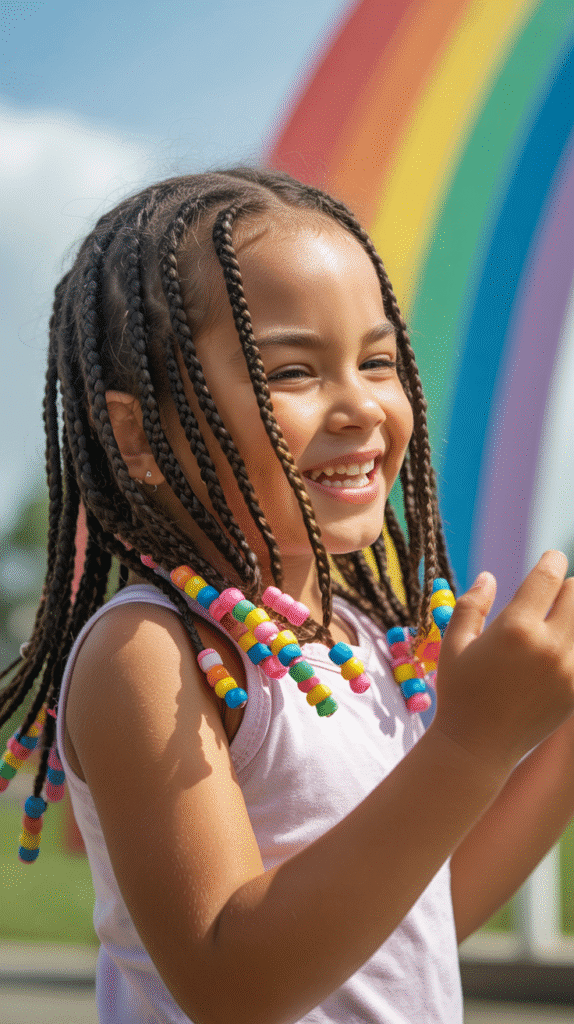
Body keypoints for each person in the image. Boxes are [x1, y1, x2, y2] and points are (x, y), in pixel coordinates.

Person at [1, 168, 574, 1024]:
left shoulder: (366, 641)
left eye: (378, 360)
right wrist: (470, 745)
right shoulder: (149, 654)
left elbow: (418, 911)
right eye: (296, 371)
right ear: (137, 433)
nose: (361, 406)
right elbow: (233, 983)